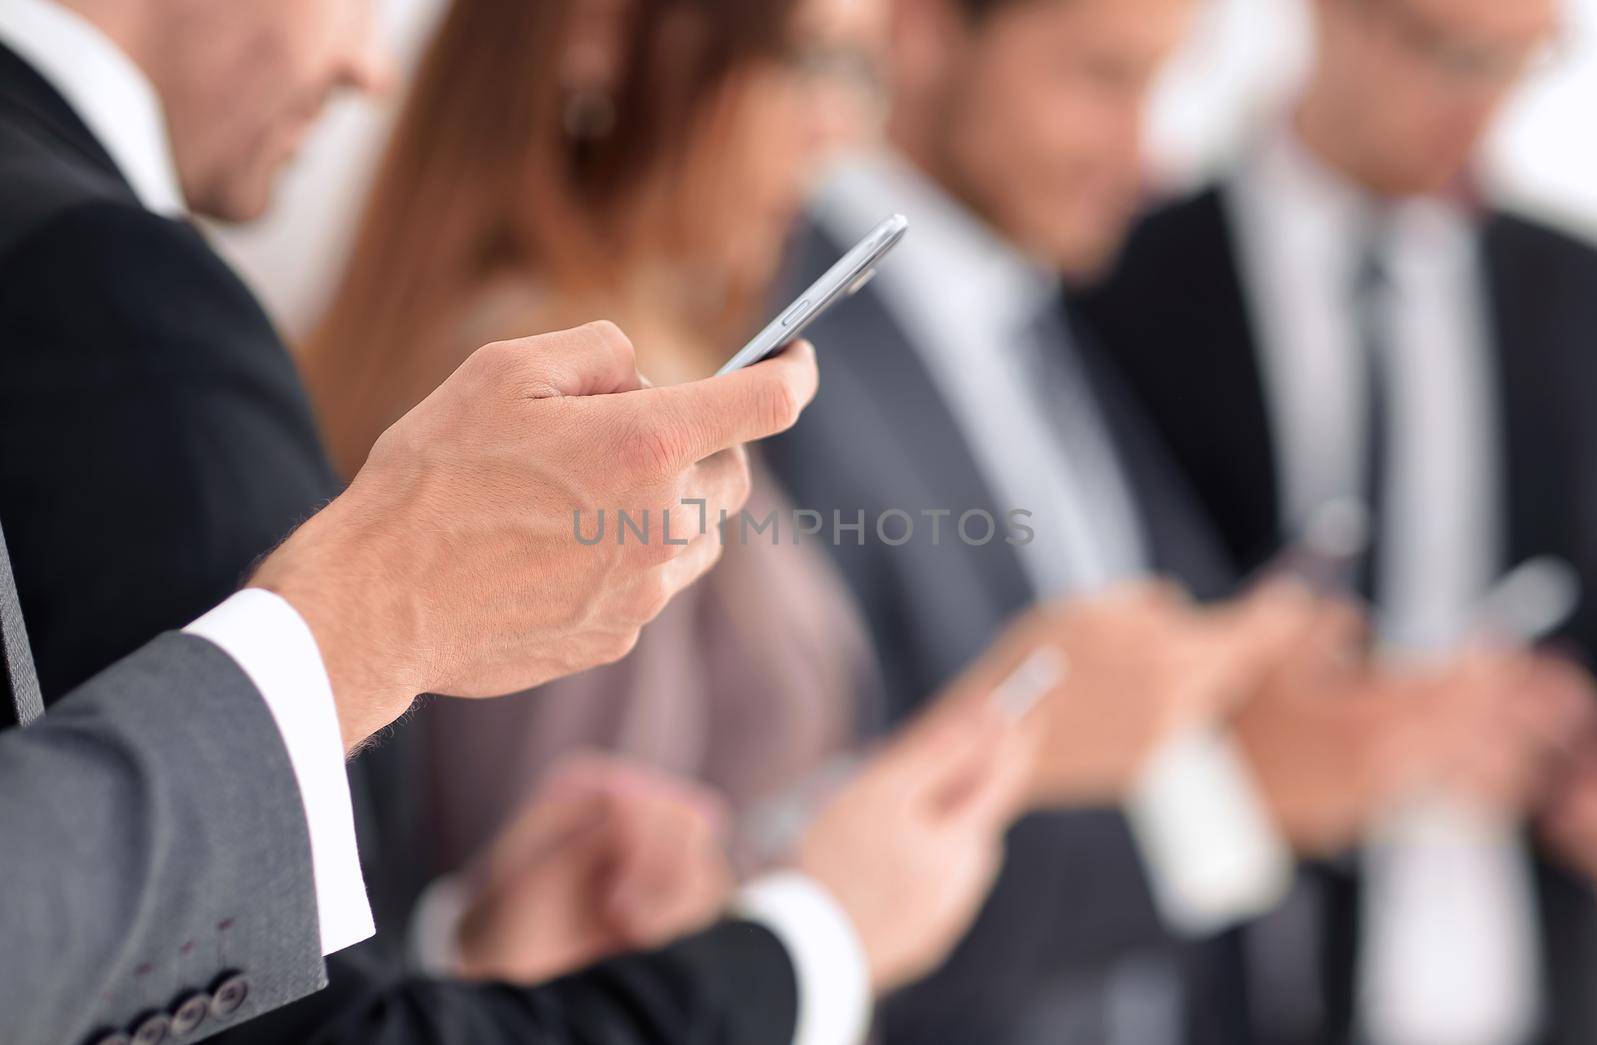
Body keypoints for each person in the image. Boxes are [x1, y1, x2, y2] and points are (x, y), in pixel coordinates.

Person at [0, 1, 1027, 1044]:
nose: (372, 65)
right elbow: (282, 1019)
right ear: (604, 38)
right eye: (807, 61)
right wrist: (815, 939)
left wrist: (455, 950)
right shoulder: (111, 289)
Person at [297, 0, 1330, 992]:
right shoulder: (570, 414)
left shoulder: (627, 366)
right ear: (605, 37)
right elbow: (573, 918)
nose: (839, 124)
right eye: (810, 59)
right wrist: (1003, 737)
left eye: (855, 69)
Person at [763, 0, 1590, 1042]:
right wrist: (1242, 793)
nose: (1146, 152)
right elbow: (792, 857)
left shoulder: (1044, 325)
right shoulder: (782, 352)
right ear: (921, 32)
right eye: (1101, 80)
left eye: (1162, 86)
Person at [1074, 0, 1597, 1040]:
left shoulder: (1574, 295)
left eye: (1522, 59)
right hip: (1209, 979)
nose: (1481, 103)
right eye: (1447, 52)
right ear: (1328, 18)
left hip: (1521, 982)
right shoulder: (1118, 279)